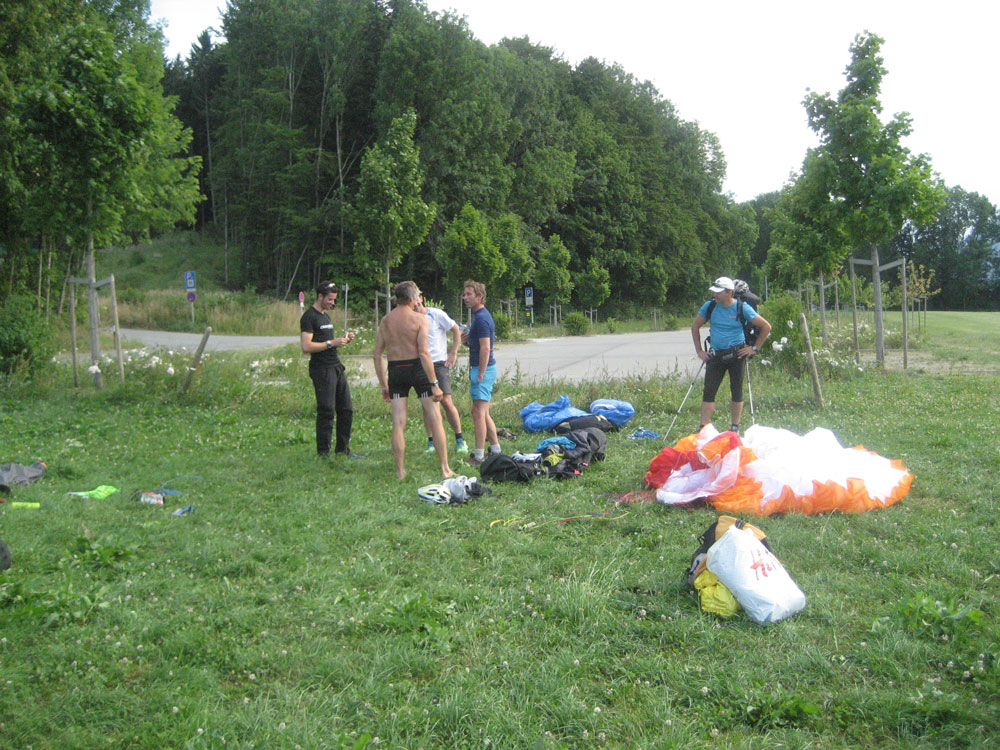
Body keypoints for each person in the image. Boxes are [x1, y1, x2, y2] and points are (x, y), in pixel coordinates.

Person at [373, 281, 455, 480]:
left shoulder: (386, 321)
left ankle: (400, 471)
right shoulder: (420, 319)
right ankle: (445, 468)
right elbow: (424, 352)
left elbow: (377, 355)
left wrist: (384, 384)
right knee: (435, 416)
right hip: (417, 368)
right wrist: (435, 384)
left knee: (398, 421)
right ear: (412, 298)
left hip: (396, 370)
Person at [691, 276, 772, 434]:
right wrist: (700, 351)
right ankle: (703, 427)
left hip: (737, 354)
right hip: (715, 355)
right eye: (714, 292)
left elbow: (766, 327)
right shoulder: (710, 306)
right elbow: (695, 327)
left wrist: (754, 348)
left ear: (729, 293)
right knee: (709, 391)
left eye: (718, 292)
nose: (715, 295)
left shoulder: (742, 308)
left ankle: (734, 427)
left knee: (736, 390)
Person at [300, 281, 363, 458]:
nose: (332, 303)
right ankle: (323, 453)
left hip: (335, 366)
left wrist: (342, 340)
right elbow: (306, 346)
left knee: (346, 409)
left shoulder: (325, 316)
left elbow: (327, 343)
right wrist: (331, 343)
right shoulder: (309, 317)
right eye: (330, 299)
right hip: (321, 369)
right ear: (320, 296)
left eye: (334, 300)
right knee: (327, 409)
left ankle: (343, 449)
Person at [414, 294, 469, 456]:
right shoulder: (411, 318)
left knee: (445, 400)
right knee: (427, 403)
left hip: (439, 363)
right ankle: (431, 441)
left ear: (422, 298)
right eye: (412, 302)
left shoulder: (436, 314)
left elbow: (456, 330)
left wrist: (453, 353)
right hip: (421, 364)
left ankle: (460, 439)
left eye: (417, 300)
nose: (415, 305)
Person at [461, 280, 501, 466]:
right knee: (483, 413)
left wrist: (480, 374)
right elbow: (478, 344)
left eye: (469, 294)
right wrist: (467, 341)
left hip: (483, 370)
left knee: (477, 413)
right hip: (482, 369)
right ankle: (495, 450)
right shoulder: (479, 317)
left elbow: (486, 348)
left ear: (480, 297)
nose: (465, 298)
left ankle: (479, 456)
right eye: (464, 294)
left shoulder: (482, 318)